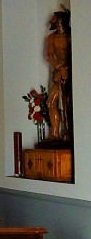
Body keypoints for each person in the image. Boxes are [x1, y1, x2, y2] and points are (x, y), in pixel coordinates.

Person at [46, 8, 71, 141]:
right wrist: (59, 68)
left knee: (66, 104)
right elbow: (49, 55)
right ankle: (55, 134)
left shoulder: (69, 36)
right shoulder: (51, 37)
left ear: (60, 20)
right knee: (51, 102)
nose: (51, 20)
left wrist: (65, 69)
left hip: (69, 72)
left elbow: (74, 54)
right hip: (58, 71)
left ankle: (67, 132)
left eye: (54, 18)